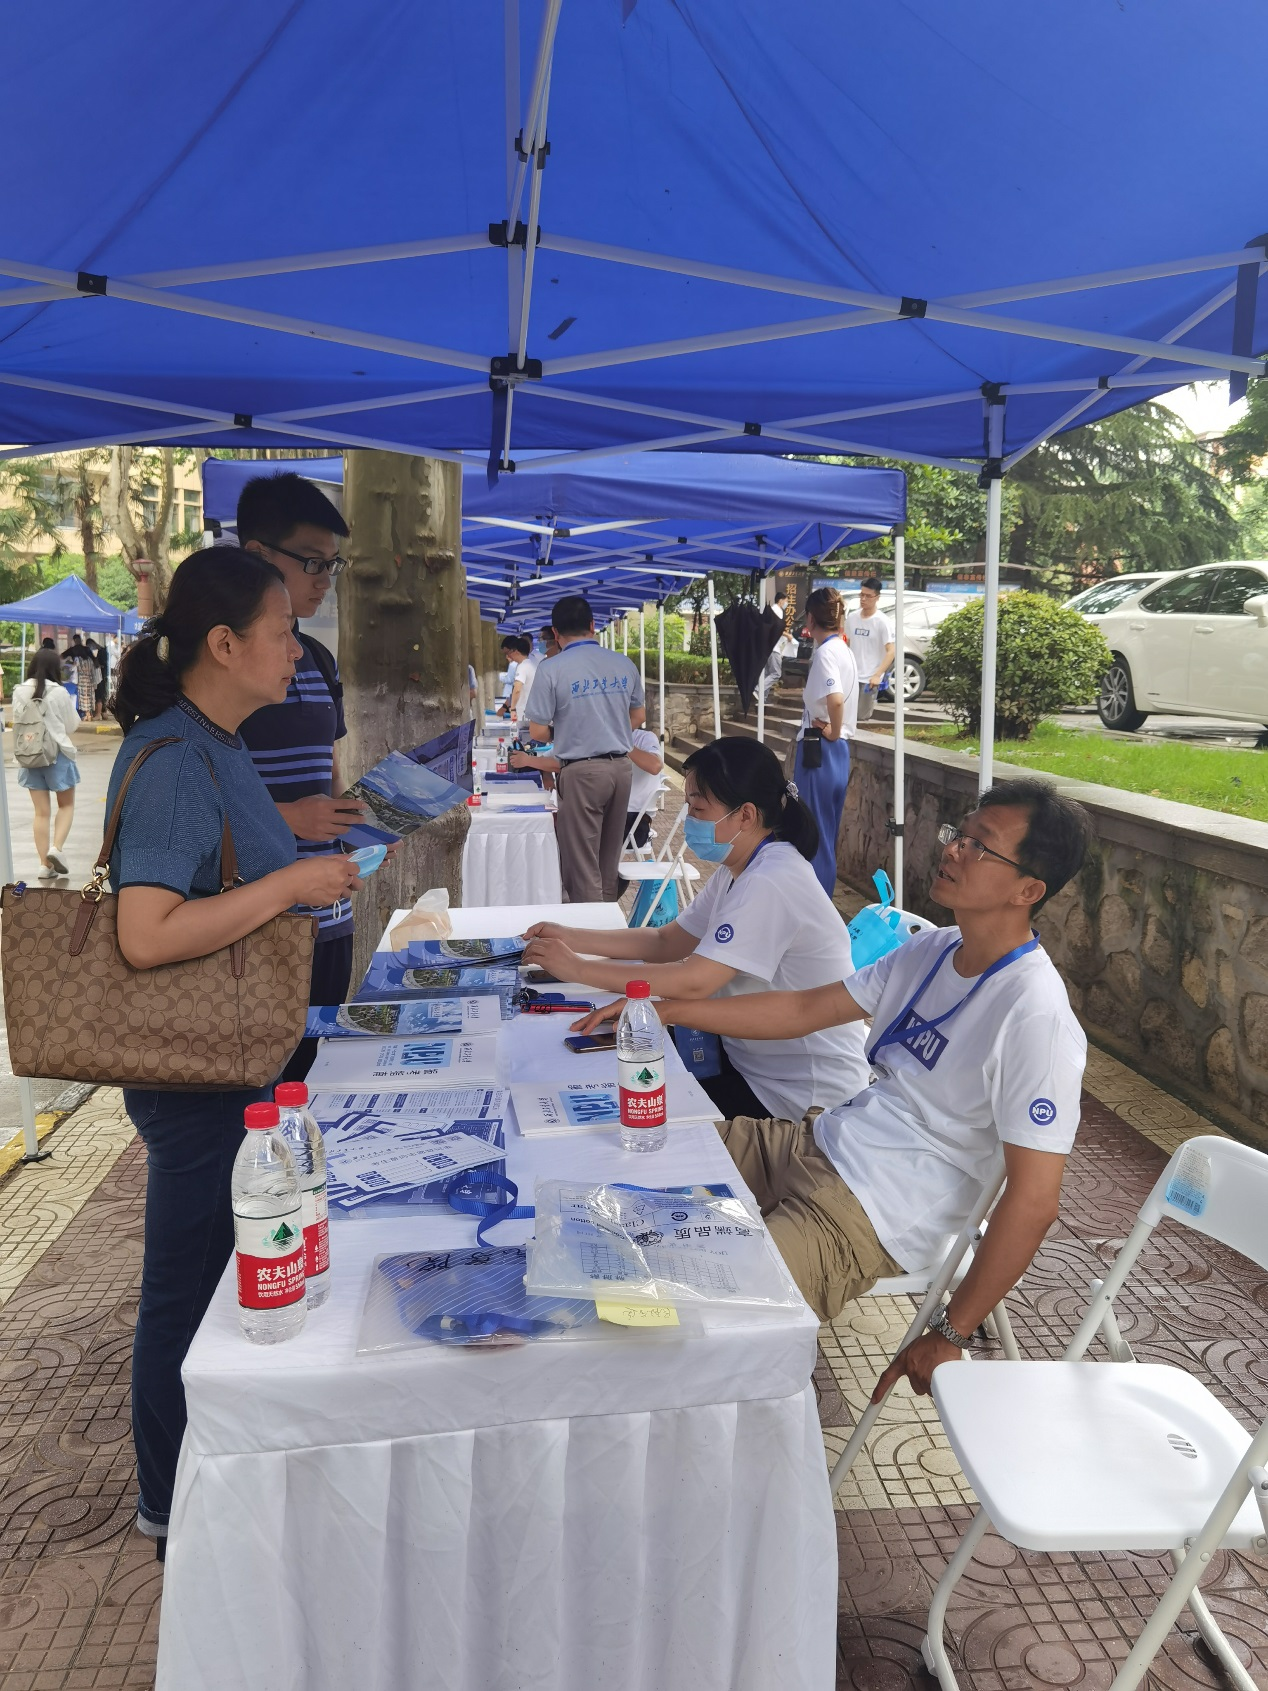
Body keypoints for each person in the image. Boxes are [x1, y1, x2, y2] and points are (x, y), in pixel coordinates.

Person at [574, 779, 1091, 1398]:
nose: (952, 849)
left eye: (980, 846)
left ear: (1028, 890)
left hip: (874, 1211)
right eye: (961, 834)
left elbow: (1034, 1200)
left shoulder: (1036, 1015)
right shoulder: (933, 950)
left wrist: (950, 1330)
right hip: (814, 1142)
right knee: (623, 1162)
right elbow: (804, 1009)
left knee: (692, 1325)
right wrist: (669, 1011)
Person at [107, 546, 361, 1552]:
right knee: (188, 1288)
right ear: (223, 643)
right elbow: (146, 931)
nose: (297, 649)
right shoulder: (176, 755)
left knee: (225, 1276)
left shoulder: (218, 742)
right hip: (194, 1073)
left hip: (236, 1056)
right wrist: (291, 885)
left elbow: (228, 868)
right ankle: (172, 1505)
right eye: (282, 631)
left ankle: (217, 1482)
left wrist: (299, 864)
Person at [526, 737, 870, 1121]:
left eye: (699, 808)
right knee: (606, 1070)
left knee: (622, 1107)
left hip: (796, 1093)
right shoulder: (738, 869)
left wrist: (579, 969)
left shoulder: (772, 879)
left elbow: (694, 981)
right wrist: (570, 937)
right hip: (747, 1060)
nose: (689, 818)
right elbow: (666, 941)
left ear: (746, 815)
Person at [235, 471, 372, 1080]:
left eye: (332, 565)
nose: (324, 581)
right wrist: (289, 818)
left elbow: (328, 766)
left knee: (313, 1075)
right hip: (252, 922)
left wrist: (358, 829)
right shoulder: (217, 667)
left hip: (329, 913)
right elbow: (191, 803)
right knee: (264, 1086)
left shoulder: (315, 657)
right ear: (258, 555)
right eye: (312, 563)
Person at [523, 593, 645, 902]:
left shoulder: (551, 669)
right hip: (621, 768)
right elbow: (638, 716)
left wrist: (570, 731)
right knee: (608, 857)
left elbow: (537, 731)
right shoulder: (623, 663)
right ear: (592, 625)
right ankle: (607, 918)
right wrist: (608, 729)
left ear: (555, 632)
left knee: (581, 862)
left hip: (581, 772)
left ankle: (589, 926)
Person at [795, 586, 858, 897]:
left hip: (819, 749)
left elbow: (834, 698)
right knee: (826, 834)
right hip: (838, 752)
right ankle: (821, 903)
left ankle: (814, 906)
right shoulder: (845, 650)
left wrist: (832, 729)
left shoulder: (825, 653)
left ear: (810, 619)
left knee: (813, 834)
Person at [12, 648, 80, 877]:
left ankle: (44, 865)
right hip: (57, 754)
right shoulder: (59, 692)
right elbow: (71, 725)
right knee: (66, 806)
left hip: (30, 755)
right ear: (55, 669)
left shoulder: (19, 691)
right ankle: (56, 848)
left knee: (41, 813)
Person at [847, 576, 895, 723]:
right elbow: (847, 644)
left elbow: (891, 651)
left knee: (861, 716)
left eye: (868, 596)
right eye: (861, 595)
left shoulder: (882, 622)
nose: (863, 599)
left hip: (869, 678)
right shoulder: (852, 618)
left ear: (877, 597)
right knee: (846, 715)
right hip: (851, 676)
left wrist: (877, 675)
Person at [496, 634, 535, 717]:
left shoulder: (522, 667)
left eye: (509, 653)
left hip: (524, 712)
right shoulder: (529, 664)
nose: (508, 656)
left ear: (516, 651)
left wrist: (513, 709)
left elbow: (517, 689)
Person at [61, 632, 96, 718]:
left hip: (80, 679)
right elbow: (95, 663)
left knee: (82, 697)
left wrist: (69, 663)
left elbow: (63, 658)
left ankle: (85, 714)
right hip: (89, 679)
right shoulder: (88, 655)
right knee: (89, 696)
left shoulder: (75, 655)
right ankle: (89, 713)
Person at [87, 636, 109, 721]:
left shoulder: (101, 652)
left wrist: (95, 660)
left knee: (99, 695)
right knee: (101, 695)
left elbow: (101, 664)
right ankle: (103, 713)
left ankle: (98, 714)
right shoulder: (101, 651)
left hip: (100, 677)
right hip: (100, 677)